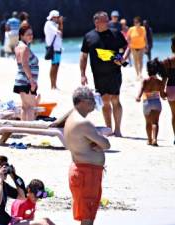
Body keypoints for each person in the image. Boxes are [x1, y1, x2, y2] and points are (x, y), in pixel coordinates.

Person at [64, 86, 111, 225]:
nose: (94, 103)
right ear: (82, 101)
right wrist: (98, 141)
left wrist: (95, 141)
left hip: (82, 170)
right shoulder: (83, 123)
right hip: (86, 173)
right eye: (91, 100)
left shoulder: (71, 117)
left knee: (86, 215)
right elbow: (106, 144)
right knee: (87, 218)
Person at [80, 11, 129, 137]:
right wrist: (82, 74)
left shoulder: (115, 33)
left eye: (107, 20)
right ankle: (109, 129)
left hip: (114, 72)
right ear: (96, 22)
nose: (107, 22)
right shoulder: (89, 36)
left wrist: (123, 58)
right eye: (104, 20)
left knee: (115, 99)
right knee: (104, 100)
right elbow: (84, 56)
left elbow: (127, 47)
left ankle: (117, 130)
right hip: (98, 75)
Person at [14, 23, 40, 121]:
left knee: (25, 107)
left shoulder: (18, 46)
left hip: (21, 80)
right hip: (26, 81)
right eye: (28, 34)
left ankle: (24, 129)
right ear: (21, 36)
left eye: (31, 34)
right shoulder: (24, 48)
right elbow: (24, 65)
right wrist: (31, 80)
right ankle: (30, 130)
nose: (31, 36)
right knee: (30, 107)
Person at [136, 59, 165, 146]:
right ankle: (155, 139)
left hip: (147, 103)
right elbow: (163, 96)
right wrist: (166, 95)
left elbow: (141, 91)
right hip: (157, 103)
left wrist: (138, 97)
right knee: (155, 122)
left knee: (148, 123)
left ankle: (149, 140)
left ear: (147, 69)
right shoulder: (159, 82)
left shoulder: (145, 81)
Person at [160, 35, 175, 145]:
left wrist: (161, 90)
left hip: (171, 89)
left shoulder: (167, 61)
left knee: (174, 115)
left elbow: (164, 77)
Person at [44, 10, 63, 89]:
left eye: (58, 17)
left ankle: (55, 84)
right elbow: (59, 32)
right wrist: (61, 23)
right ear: (52, 17)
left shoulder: (55, 24)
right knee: (53, 65)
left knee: (57, 66)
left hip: (58, 48)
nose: (57, 18)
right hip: (53, 49)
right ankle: (52, 85)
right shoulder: (49, 24)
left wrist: (60, 24)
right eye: (56, 17)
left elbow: (61, 35)